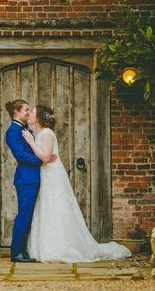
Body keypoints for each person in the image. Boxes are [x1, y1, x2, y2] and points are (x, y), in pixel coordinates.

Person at [23, 105, 131, 262]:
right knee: (45, 207)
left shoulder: (46, 133)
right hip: (45, 174)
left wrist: (31, 142)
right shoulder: (38, 133)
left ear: (38, 118)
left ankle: (59, 248)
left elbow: (46, 158)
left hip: (51, 175)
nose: (30, 114)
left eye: (32, 112)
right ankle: (43, 247)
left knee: (54, 207)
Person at [4, 99, 57, 262]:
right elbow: (20, 155)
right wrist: (42, 160)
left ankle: (22, 250)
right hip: (26, 179)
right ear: (16, 112)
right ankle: (16, 253)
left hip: (32, 177)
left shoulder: (24, 128)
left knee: (28, 216)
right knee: (24, 215)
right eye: (26, 110)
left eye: (29, 110)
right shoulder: (13, 131)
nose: (28, 112)